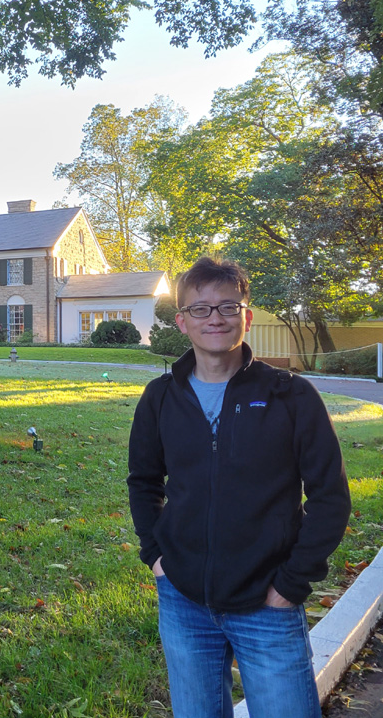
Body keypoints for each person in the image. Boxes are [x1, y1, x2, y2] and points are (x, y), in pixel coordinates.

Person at [127, 256, 350, 718]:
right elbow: (144, 482)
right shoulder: (160, 397)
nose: (215, 318)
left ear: (246, 317)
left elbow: (330, 497)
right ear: (182, 321)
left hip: (268, 602)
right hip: (183, 600)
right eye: (201, 309)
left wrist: (291, 583)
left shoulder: (291, 395)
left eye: (228, 307)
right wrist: (156, 557)